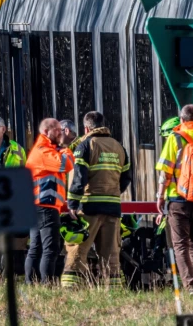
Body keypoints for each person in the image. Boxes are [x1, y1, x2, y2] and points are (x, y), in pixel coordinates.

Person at [62, 111, 131, 288]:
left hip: (89, 207)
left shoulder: (85, 146)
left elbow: (79, 178)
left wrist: (72, 204)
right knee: (111, 253)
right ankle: (113, 288)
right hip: (113, 207)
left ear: (86, 128)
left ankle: (71, 287)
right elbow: (126, 177)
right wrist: (113, 192)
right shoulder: (119, 147)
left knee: (78, 248)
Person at [155, 104, 193, 293]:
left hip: (179, 199)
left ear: (181, 120)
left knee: (180, 244)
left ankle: (190, 287)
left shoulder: (175, 138)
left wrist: (160, 197)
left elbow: (165, 172)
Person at [25, 118, 74, 285]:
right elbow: (66, 165)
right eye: (57, 130)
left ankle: (31, 283)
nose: (60, 133)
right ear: (46, 131)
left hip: (38, 206)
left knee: (36, 248)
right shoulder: (43, 151)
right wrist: (66, 148)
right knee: (50, 249)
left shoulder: (46, 150)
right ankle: (47, 285)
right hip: (45, 206)